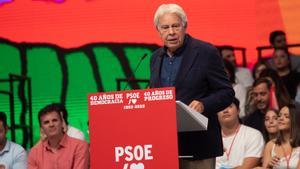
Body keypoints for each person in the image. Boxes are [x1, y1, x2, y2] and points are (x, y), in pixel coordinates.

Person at [150, 4, 235, 169]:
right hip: (165, 146)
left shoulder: (205, 52)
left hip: (199, 146)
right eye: (165, 27)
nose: (171, 32)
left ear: (184, 26)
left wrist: (203, 104)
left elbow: (226, 92)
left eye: (176, 26)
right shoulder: (155, 58)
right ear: (158, 30)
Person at [28, 104, 89, 169]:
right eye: (46, 122)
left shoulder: (79, 146)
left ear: (62, 123)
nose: (51, 124)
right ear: (41, 128)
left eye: (54, 120)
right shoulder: (34, 152)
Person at [216, 98, 264, 169]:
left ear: (238, 111)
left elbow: (246, 167)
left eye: (230, 106)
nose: (225, 111)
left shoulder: (253, 135)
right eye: (221, 107)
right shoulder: (211, 140)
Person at [262, 104, 300, 169]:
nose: (281, 118)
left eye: (286, 116)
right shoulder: (270, 145)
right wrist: (269, 166)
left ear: (294, 120)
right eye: (279, 116)